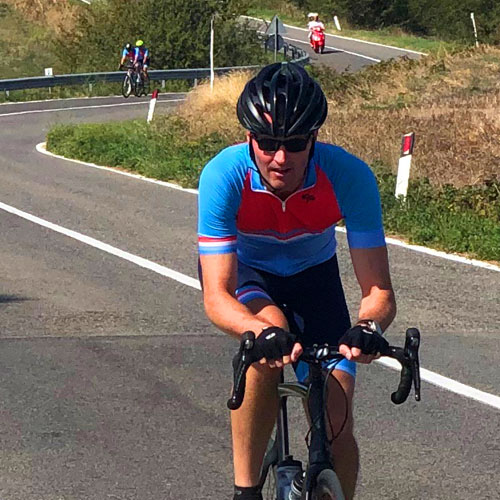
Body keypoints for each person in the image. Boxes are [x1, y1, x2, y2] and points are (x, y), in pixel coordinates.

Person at [197, 62, 396, 500]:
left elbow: (377, 290)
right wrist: (256, 332)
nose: (280, 157)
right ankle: (245, 491)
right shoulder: (223, 175)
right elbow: (216, 295)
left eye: (294, 143)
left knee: (336, 419)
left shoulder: (349, 176)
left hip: (313, 279)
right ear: (249, 137)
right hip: (249, 274)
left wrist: (369, 328)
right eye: (267, 143)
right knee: (268, 337)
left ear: (314, 138)